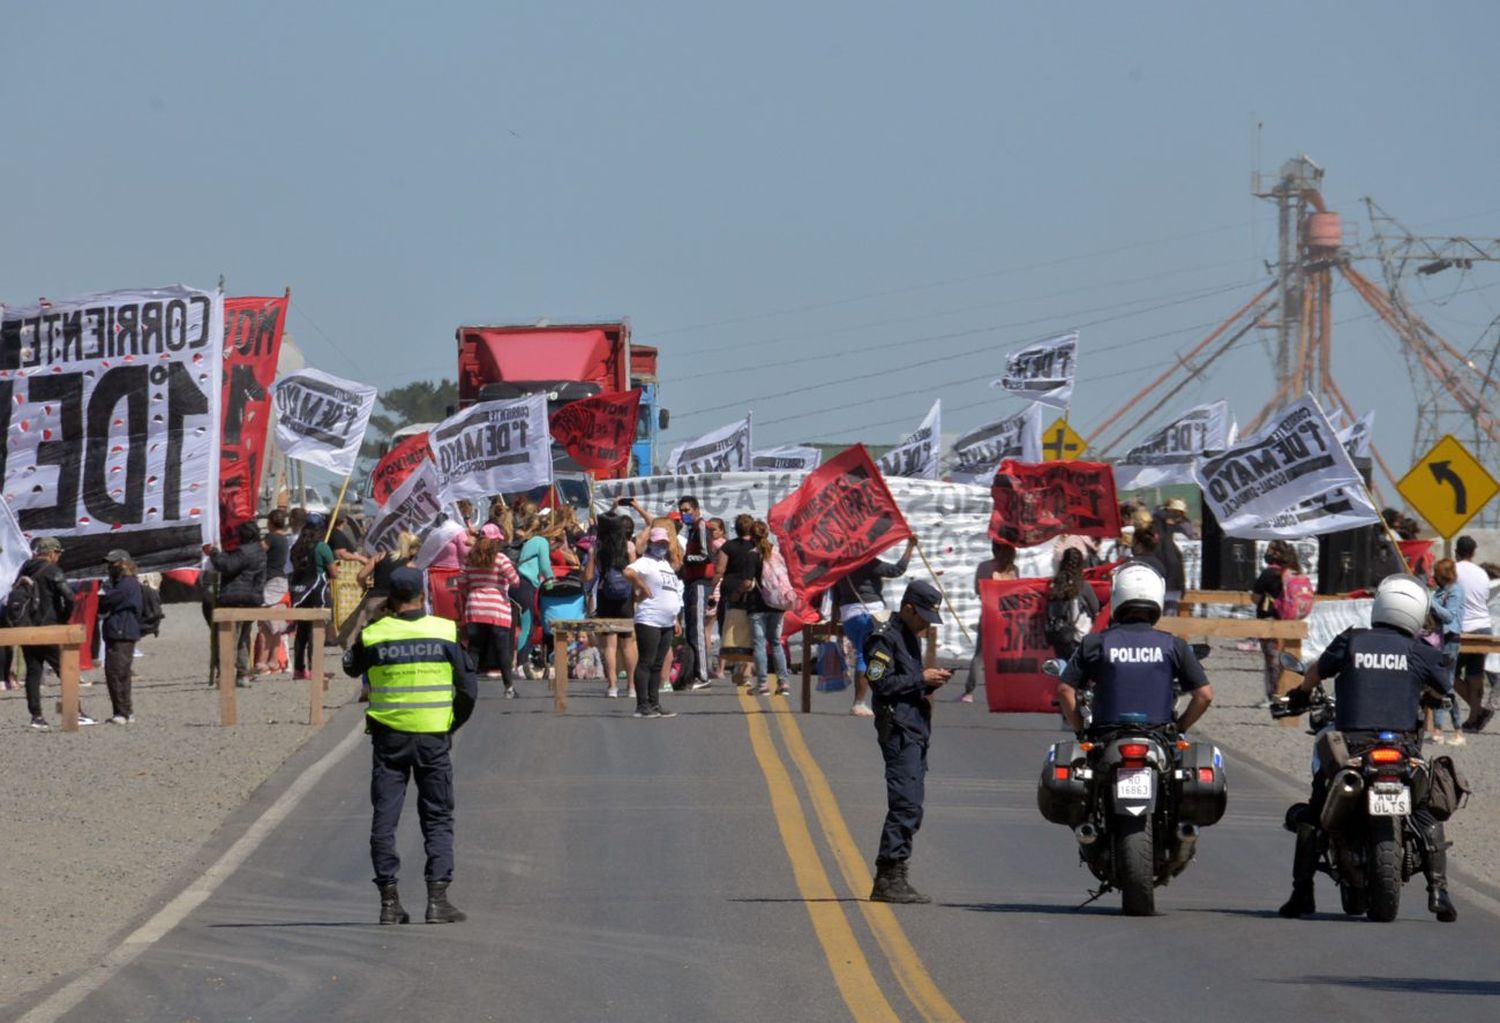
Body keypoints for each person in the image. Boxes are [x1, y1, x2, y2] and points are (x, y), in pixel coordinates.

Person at [1278, 574, 1456, 922]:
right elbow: (1444, 691)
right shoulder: (1421, 651)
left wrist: (1299, 694)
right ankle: (1438, 891)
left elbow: (1316, 672)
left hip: (1352, 748)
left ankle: (1302, 893)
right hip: (1402, 749)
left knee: (1315, 814)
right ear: (1416, 613)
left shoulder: (1352, 640)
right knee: (1423, 811)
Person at [342, 567, 477, 926]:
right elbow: (468, 690)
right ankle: (437, 900)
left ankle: (389, 902)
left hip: (389, 739)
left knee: (385, 818)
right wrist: (451, 724)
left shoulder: (374, 635)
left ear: (391, 598)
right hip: (433, 737)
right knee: (437, 815)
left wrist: (368, 624)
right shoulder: (445, 630)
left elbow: (350, 668)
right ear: (422, 595)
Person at [865, 580, 952, 904]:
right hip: (899, 729)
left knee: (911, 803)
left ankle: (894, 872)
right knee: (906, 804)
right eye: (923, 617)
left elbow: (904, 683)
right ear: (908, 609)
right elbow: (880, 683)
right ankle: (889, 876)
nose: (926, 625)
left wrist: (929, 683)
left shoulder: (909, 638)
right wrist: (921, 678)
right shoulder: (884, 637)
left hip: (914, 727)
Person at [1055, 562, 1213, 739]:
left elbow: (1064, 690)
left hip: (1105, 735)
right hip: (1159, 736)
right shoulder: (1174, 645)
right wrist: (1179, 728)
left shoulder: (1095, 643)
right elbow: (1204, 695)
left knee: (1062, 760)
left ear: (1116, 597)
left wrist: (1081, 731)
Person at [837, 537, 918, 717]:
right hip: (870, 613)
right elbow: (897, 570)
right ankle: (862, 702)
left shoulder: (839, 565)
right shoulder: (867, 563)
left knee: (864, 653)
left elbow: (835, 593)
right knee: (874, 656)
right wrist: (910, 547)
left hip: (849, 615)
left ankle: (867, 700)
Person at [18, 537, 91, 730]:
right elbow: (69, 597)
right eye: (58, 553)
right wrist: (64, 618)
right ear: (51, 553)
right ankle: (76, 712)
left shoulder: (25, 569)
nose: (58, 557)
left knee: (33, 672)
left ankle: (36, 717)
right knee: (65, 670)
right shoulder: (52, 570)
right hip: (49, 628)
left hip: (26, 628)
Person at [625, 526, 684, 719]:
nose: (661, 546)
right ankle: (642, 704)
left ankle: (654, 702)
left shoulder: (665, 564)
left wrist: (675, 618)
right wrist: (641, 586)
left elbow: (671, 591)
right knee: (646, 662)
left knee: (658, 664)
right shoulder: (645, 562)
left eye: (664, 543)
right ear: (650, 543)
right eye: (658, 543)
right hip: (649, 618)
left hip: (667, 620)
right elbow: (628, 572)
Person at [459, 523, 522, 696]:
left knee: (474, 649)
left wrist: (474, 591)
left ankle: (468, 689)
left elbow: (461, 583)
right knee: (503, 649)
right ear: (496, 542)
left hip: (475, 607)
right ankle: (509, 687)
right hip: (497, 609)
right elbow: (515, 581)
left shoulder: (470, 558)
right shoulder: (501, 558)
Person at [205, 521, 268, 685]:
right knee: (243, 638)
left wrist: (214, 553)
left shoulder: (245, 551)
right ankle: (242, 673)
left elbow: (227, 566)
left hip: (236, 597)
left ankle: (225, 674)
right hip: (252, 598)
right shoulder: (260, 551)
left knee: (229, 638)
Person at [584, 510, 638, 698]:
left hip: (605, 595)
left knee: (609, 645)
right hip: (625, 598)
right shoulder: (629, 546)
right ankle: (631, 686)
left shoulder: (596, 548)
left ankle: (612, 686)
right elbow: (635, 573)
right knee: (628, 643)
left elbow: (589, 577)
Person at [963, 539, 1021, 703]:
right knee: (1007, 654)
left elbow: (977, 590)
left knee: (980, 654)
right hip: (1008, 616)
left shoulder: (984, 567)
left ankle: (969, 691)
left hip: (989, 613)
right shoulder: (1013, 570)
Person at [714, 514, 765, 688]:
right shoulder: (758, 546)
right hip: (753, 592)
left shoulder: (729, 546)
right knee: (751, 631)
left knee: (731, 630)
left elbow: (720, 570)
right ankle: (747, 671)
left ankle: (737, 664)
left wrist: (710, 588)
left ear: (735, 528)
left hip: (732, 591)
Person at [98, 550, 144, 725]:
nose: (110, 567)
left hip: (121, 631)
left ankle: (122, 712)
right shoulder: (124, 582)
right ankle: (125, 711)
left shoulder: (126, 584)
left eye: (113, 563)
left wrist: (100, 599)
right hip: (120, 631)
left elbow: (107, 601)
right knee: (121, 672)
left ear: (123, 563)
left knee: (116, 672)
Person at [289, 513, 337, 682]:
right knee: (316, 632)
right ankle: (315, 669)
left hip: (300, 592)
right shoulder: (322, 547)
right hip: (318, 592)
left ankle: (298, 669)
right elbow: (333, 573)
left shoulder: (296, 546)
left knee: (301, 631)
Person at [1453, 535, 1493, 733]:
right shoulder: (1482, 573)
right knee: (1475, 675)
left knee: (1447, 673)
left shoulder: (1453, 570)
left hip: (1462, 629)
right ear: (1474, 552)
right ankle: (1474, 717)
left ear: (1456, 551)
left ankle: (1478, 711)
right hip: (1484, 628)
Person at [748, 520, 791, 696]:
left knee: (759, 643)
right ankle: (784, 683)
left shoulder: (752, 555)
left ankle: (763, 684)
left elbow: (746, 581)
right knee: (776, 642)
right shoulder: (777, 552)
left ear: (751, 536)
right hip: (778, 604)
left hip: (757, 605)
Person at [676, 495, 715, 690]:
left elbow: (706, 555)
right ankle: (692, 672)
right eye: (682, 510)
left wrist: (685, 559)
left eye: (687, 510)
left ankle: (703, 675)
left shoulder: (700, 527)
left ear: (696, 510)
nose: (684, 514)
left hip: (700, 583)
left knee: (698, 628)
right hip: (691, 583)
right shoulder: (690, 530)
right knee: (691, 628)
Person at [1426, 558, 1466, 746]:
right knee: (1436, 683)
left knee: (1445, 684)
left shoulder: (1455, 591)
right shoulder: (1440, 591)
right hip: (1436, 640)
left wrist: (1430, 603)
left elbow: (1449, 616)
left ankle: (1457, 729)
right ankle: (1438, 729)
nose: (1434, 576)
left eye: (1437, 573)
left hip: (1450, 641)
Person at [511, 511, 554, 679]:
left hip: (515, 583)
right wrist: (550, 580)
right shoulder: (541, 541)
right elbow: (544, 565)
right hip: (526, 584)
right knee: (527, 627)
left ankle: (518, 662)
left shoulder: (525, 542)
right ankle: (521, 664)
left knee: (517, 626)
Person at [1251, 540, 1294, 705]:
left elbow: (1255, 598)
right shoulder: (1291, 572)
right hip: (1289, 620)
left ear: (1276, 553)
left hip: (1269, 620)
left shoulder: (1269, 574)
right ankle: (1285, 692)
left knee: (1271, 660)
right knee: (1287, 658)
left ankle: (1273, 695)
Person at [254, 509, 294, 675]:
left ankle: (262, 662)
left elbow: (259, 550)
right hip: (281, 581)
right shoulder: (284, 539)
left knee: (264, 624)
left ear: (270, 523)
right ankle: (273, 660)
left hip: (270, 582)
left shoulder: (271, 537)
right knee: (276, 626)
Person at [1044, 547, 1100, 661]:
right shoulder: (1083, 586)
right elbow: (1096, 608)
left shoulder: (1053, 586)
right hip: (1080, 639)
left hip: (1058, 638)